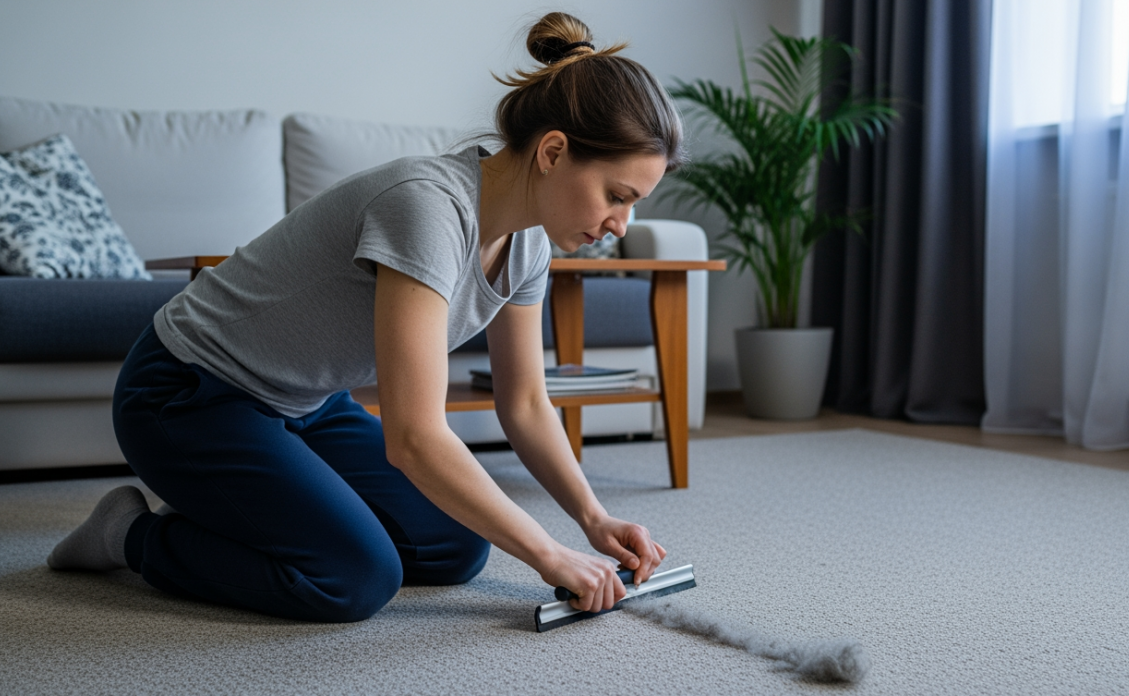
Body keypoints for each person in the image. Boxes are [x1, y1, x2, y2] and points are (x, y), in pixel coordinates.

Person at [46, 12, 686, 623]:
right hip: (188, 391)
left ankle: (247, 506)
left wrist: (592, 519)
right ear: (552, 151)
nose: (619, 225)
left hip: (308, 404)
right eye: (617, 195)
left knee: (456, 545)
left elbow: (524, 403)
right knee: (354, 576)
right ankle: (127, 534)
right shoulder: (427, 209)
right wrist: (548, 554)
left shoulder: (529, 246)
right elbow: (414, 438)